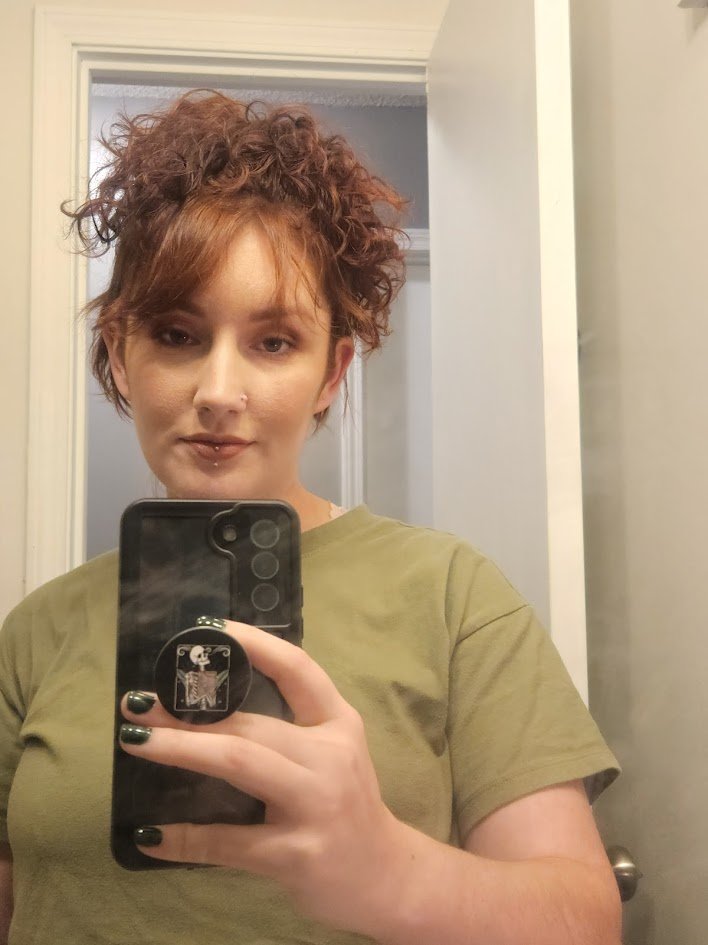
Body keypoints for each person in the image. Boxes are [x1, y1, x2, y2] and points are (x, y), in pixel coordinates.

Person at [0, 91, 621, 944]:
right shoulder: (36, 631)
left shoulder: (452, 596)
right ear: (119, 349)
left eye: (274, 341)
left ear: (331, 374)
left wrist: (389, 872)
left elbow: (584, 922)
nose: (219, 392)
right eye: (176, 334)